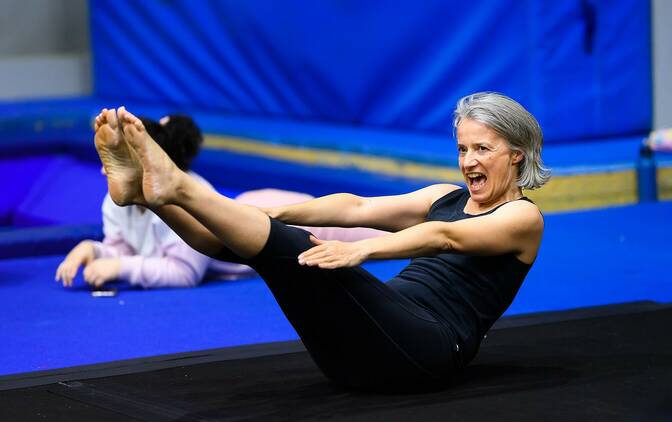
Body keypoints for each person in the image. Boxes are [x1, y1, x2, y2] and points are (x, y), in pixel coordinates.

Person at [92, 91, 549, 391]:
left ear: (517, 155)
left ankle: (180, 186)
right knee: (266, 250)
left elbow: (445, 238)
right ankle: (148, 197)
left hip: (425, 349)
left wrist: (363, 249)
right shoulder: (443, 196)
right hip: (361, 353)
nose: (468, 161)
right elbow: (355, 208)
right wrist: (271, 213)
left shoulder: (523, 218)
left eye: (482, 149)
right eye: (462, 149)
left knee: (295, 249)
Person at [55, 115, 383, 289]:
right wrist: (96, 251)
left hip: (272, 218)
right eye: (109, 160)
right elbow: (126, 248)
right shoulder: (116, 199)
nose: (103, 170)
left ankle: (430, 215)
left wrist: (120, 268)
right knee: (372, 219)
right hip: (251, 215)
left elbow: (184, 273)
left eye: (115, 160)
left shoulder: (188, 194)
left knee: (376, 226)